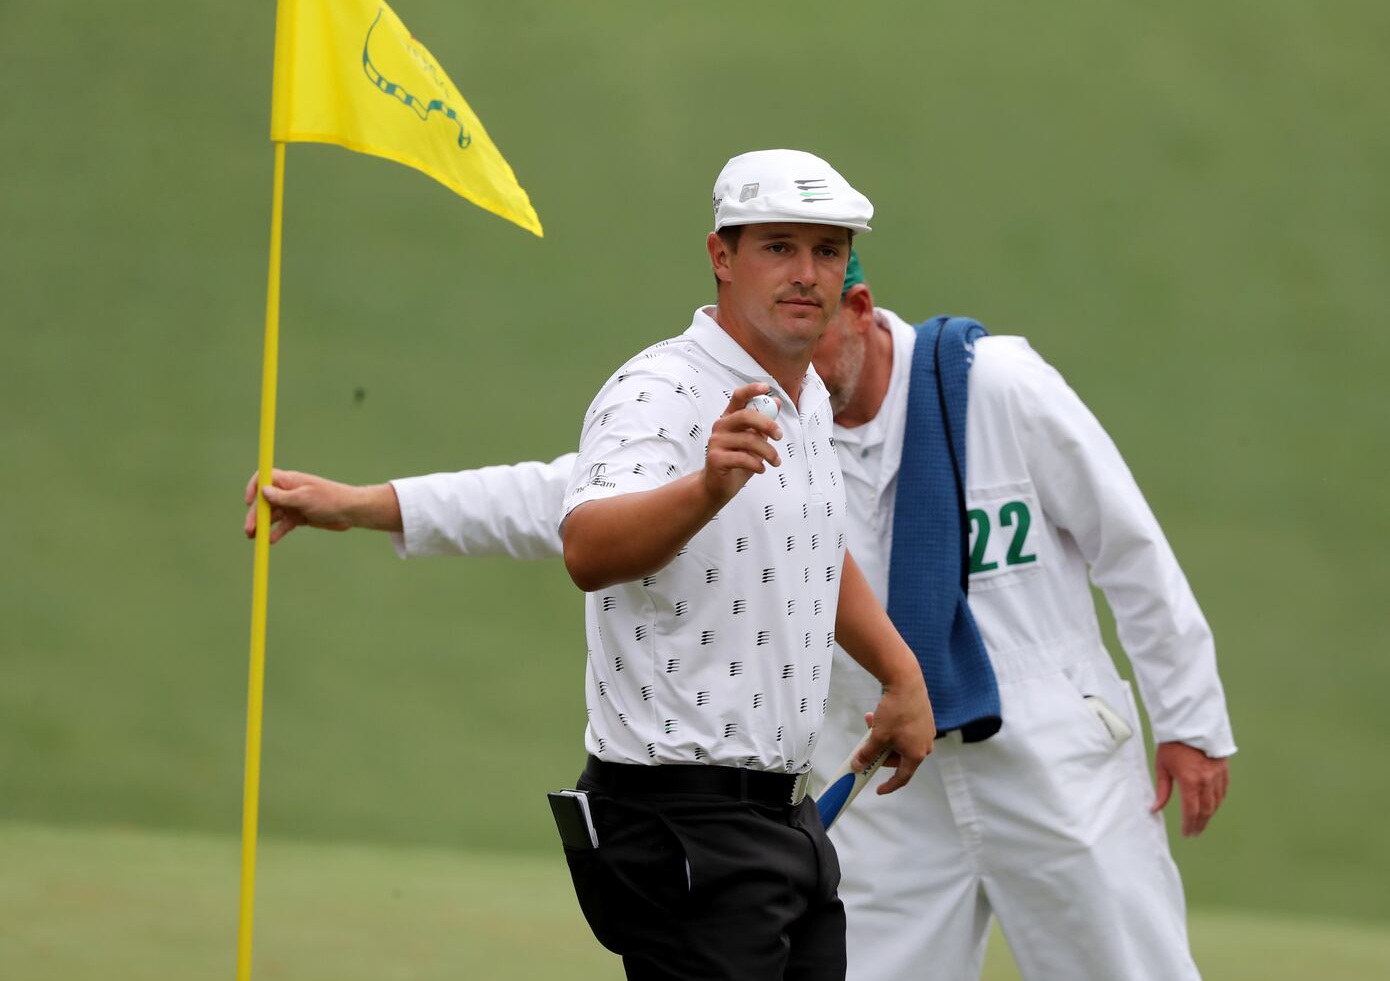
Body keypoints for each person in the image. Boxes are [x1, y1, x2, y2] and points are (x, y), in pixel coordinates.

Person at [247, 254, 1234, 980]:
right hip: (885, 781)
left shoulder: (996, 387)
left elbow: (1128, 543)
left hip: (1052, 761)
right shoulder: (765, 421)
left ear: (855, 302)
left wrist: (1190, 717)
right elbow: (560, 496)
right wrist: (365, 502)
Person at [247, 149, 935, 980]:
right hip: (680, 825)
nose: (806, 273)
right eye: (778, 246)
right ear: (722, 256)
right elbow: (586, 544)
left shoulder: (805, 398)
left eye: (827, 251)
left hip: (783, 827)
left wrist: (901, 674)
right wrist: (708, 488)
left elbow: (812, 544)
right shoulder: (658, 389)